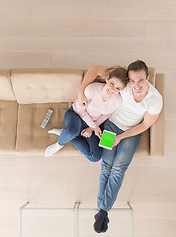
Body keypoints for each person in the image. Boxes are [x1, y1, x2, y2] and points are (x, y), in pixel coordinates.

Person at [77, 60, 163, 233]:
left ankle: (102, 210)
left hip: (131, 132)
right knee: (106, 165)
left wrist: (121, 137)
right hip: (110, 126)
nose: (136, 85)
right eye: (132, 81)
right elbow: (94, 68)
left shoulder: (155, 99)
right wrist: (81, 94)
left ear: (148, 77)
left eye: (140, 80)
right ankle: (103, 211)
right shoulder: (122, 85)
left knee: (118, 168)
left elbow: (145, 125)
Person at [45, 67, 129, 162]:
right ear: (107, 78)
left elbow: (106, 115)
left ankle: (64, 134)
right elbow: (81, 111)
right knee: (73, 131)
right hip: (75, 115)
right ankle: (59, 144)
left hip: (90, 124)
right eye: (112, 84)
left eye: (118, 88)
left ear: (121, 90)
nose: (112, 90)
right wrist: (94, 127)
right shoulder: (92, 89)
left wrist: (91, 128)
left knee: (95, 157)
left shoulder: (117, 101)